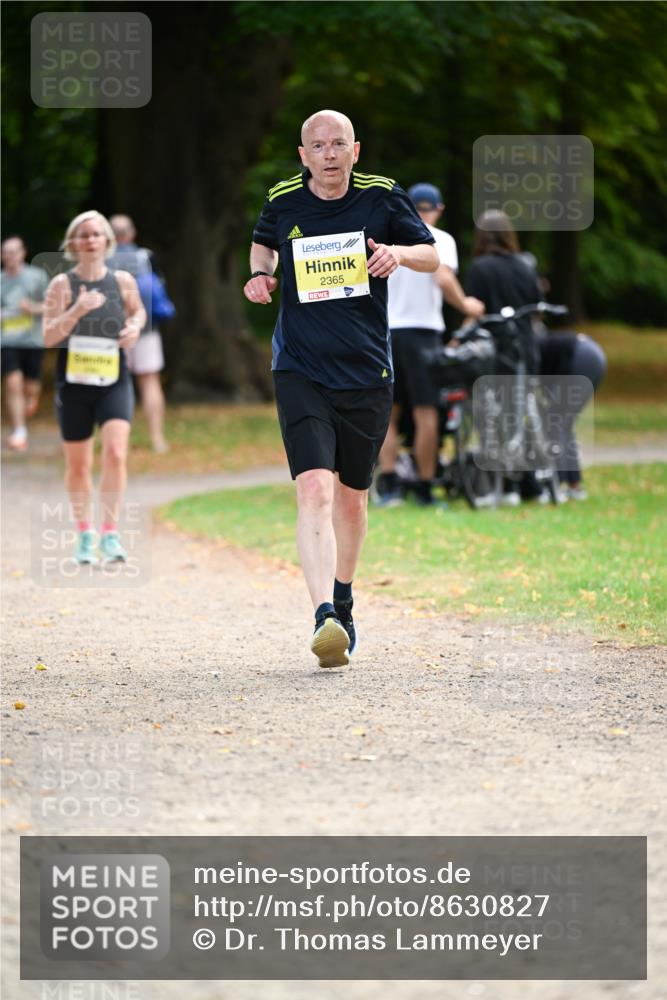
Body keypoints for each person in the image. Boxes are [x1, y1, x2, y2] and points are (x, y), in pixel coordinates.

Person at [244, 109, 439, 668]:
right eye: (317, 146)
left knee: (352, 499)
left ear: (356, 150)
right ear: (302, 155)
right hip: (300, 368)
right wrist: (262, 274)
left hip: (366, 372)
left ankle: (345, 597)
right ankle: (324, 614)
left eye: (338, 144)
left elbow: (431, 255)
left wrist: (397, 254)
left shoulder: (382, 195)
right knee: (314, 489)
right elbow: (263, 246)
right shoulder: (283, 199)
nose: (328, 154)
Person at [43, 210, 145, 563]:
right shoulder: (61, 285)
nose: (89, 240)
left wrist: (134, 327)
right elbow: (48, 336)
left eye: (96, 234)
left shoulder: (121, 280)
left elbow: (138, 313)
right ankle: (85, 532)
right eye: (83, 235)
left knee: (116, 453)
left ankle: (110, 534)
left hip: (113, 378)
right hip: (74, 383)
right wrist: (77, 309)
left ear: (107, 241)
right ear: (73, 243)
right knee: (79, 465)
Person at [376, 183, 485, 507]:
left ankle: (391, 483)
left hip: (388, 334)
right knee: (426, 414)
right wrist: (465, 304)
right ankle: (424, 487)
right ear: (438, 209)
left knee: (388, 415)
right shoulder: (440, 239)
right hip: (423, 334)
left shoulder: (388, 237)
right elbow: (442, 278)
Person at [465, 209, 543, 506]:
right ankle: (521, 481)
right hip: (523, 348)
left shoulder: (480, 268)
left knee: (491, 415)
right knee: (519, 414)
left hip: (492, 351)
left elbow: (476, 310)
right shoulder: (525, 266)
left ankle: (498, 482)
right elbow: (535, 306)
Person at [109, 214, 171, 453]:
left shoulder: (103, 260)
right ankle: (157, 439)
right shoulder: (146, 256)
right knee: (150, 381)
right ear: (132, 233)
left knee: (115, 384)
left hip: (113, 331)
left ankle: (118, 441)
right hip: (147, 328)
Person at [539, 330, 607, 499]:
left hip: (582, 357)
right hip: (595, 356)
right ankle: (574, 486)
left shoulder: (529, 351)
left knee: (555, 421)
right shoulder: (542, 343)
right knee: (564, 422)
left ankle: (557, 484)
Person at [1, 236, 49, 451]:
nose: (10, 256)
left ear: (23, 253)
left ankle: (32, 398)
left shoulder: (36, 277)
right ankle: (19, 431)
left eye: (13, 252)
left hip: (32, 341)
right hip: (7, 341)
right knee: (12, 383)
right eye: (6, 252)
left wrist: (33, 308)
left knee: (30, 387)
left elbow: (52, 305)